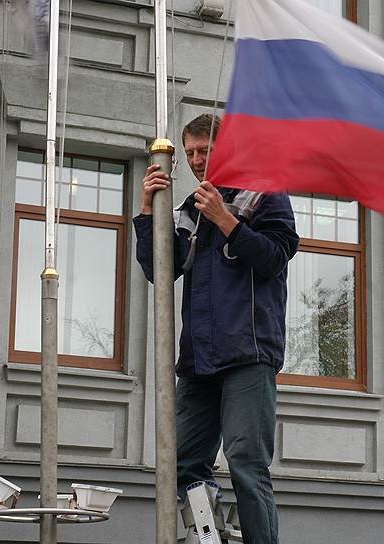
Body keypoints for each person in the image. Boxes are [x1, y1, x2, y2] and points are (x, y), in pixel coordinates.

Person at [133, 113, 298, 544]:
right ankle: (211, 538)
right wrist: (148, 211)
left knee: (246, 461)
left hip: (248, 352)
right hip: (198, 359)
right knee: (182, 461)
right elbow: (159, 270)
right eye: (189, 152)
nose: (195, 160)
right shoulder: (191, 208)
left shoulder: (263, 193)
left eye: (204, 151)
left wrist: (227, 221)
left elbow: (275, 258)